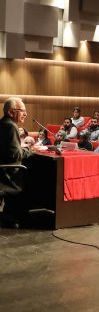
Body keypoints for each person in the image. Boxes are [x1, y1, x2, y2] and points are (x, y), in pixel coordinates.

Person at [0, 97, 32, 226]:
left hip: (2, 171)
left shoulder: (2, 123)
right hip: (7, 175)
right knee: (36, 178)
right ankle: (18, 216)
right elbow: (15, 155)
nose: (26, 114)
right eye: (22, 110)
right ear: (11, 112)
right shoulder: (10, 126)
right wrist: (29, 149)